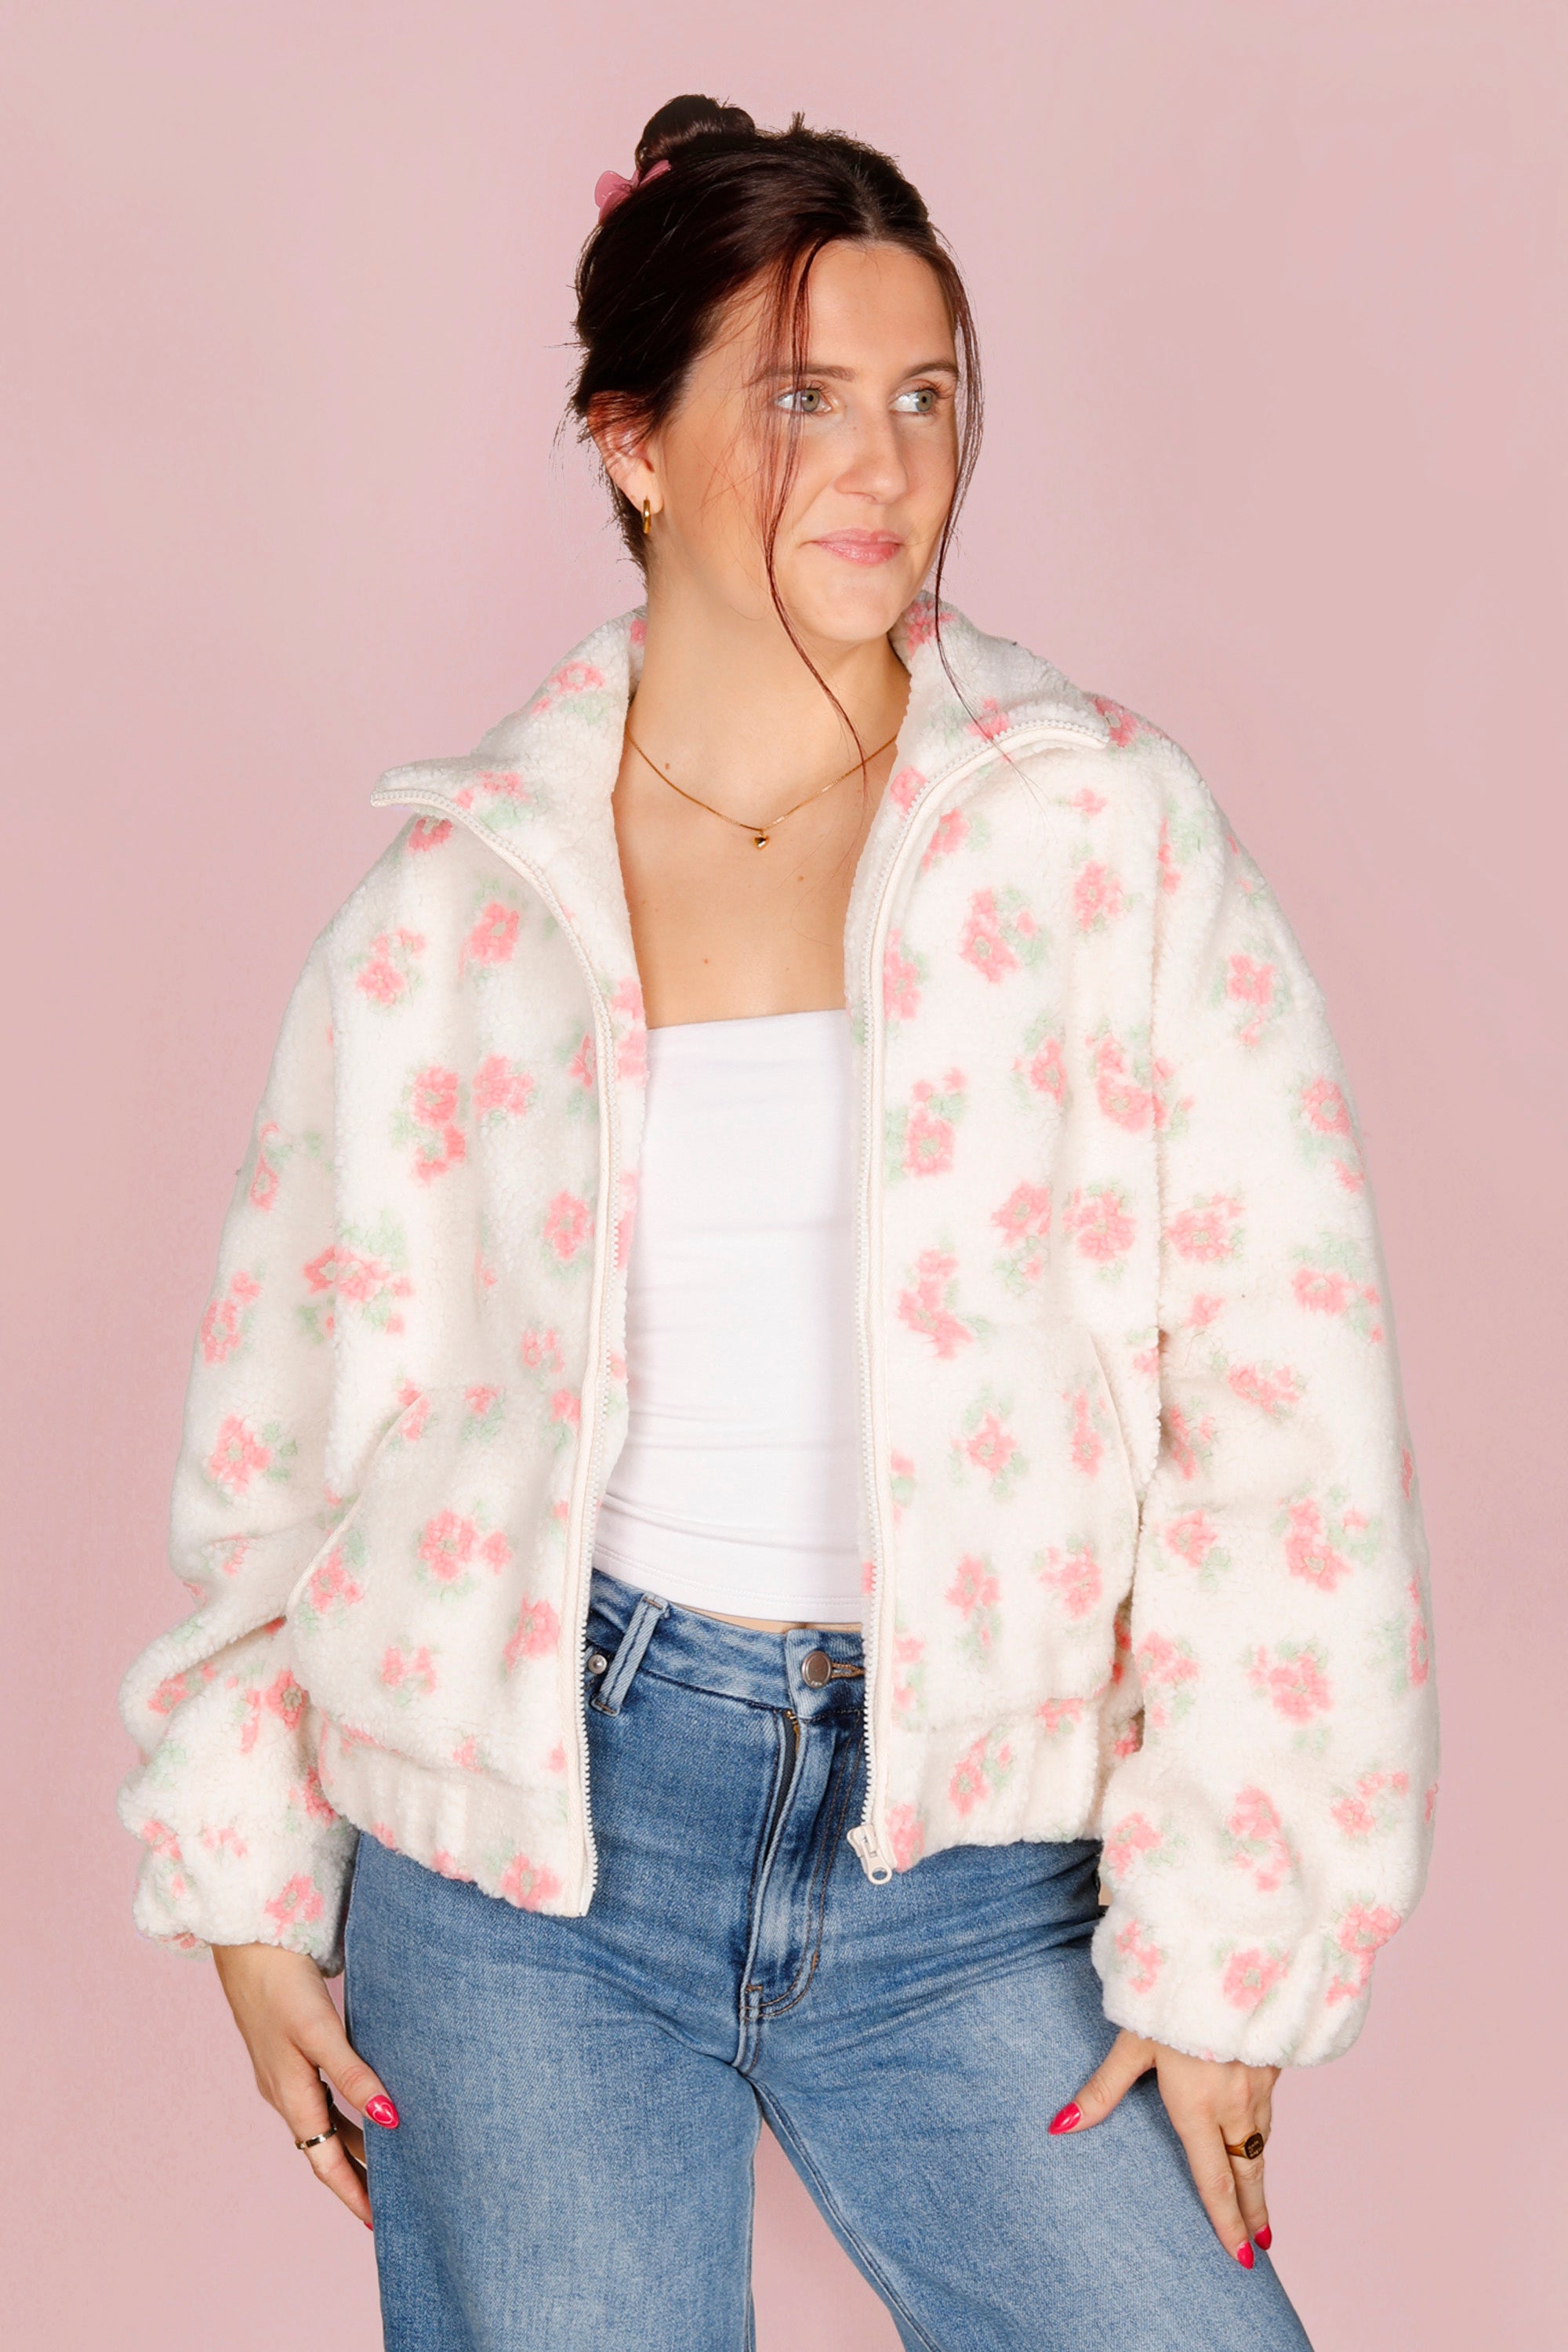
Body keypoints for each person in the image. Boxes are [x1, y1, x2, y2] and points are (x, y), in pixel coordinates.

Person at [118, 95, 1439, 2350]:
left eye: (928, 397)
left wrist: (1240, 1949)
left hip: (978, 1867)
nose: (889, 465)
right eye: (807, 399)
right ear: (633, 443)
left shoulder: (1098, 834)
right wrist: (244, 1867)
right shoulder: (456, 901)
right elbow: (288, 1414)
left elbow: (1280, 1398)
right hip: (528, 1858)